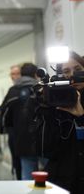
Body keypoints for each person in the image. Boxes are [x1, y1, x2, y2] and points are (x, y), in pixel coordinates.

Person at [34, 51, 84, 194]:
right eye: (66, 71)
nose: (73, 75)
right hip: (62, 179)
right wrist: (45, 106)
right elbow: (44, 149)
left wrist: (81, 116)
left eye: (78, 69)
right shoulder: (54, 101)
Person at [1, 63, 46, 180]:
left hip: (22, 138)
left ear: (21, 74)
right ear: (36, 74)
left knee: (27, 176)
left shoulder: (13, 91)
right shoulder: (42, 89)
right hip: (44, 139)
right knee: (50, 175)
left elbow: (5, 114)